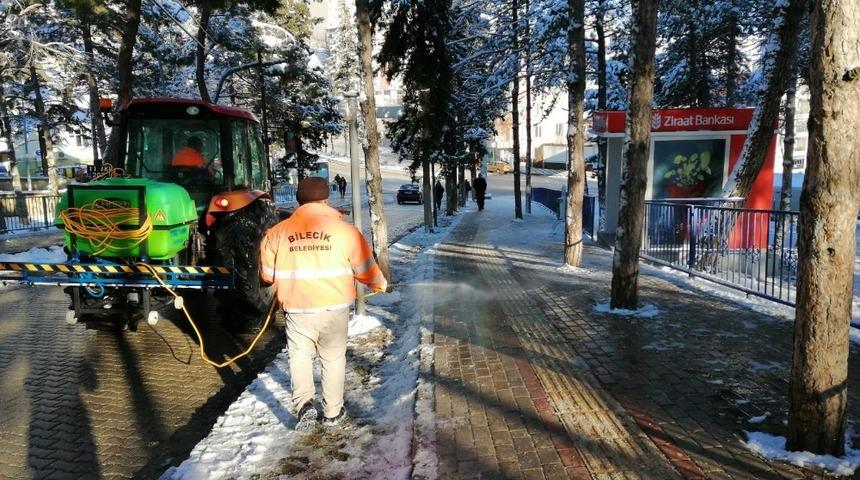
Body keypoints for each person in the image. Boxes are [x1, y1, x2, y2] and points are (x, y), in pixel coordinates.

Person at [260, 177, 388, 430]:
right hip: (334, 309)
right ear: (326, 199)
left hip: (297, 309)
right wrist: (379, 283)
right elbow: (365, 268)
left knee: (299, 357)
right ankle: (332, 412)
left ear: (298, 200)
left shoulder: (276, 233)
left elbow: (266, 275)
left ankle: (305, 405)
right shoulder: (345, 231)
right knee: (332, 359)